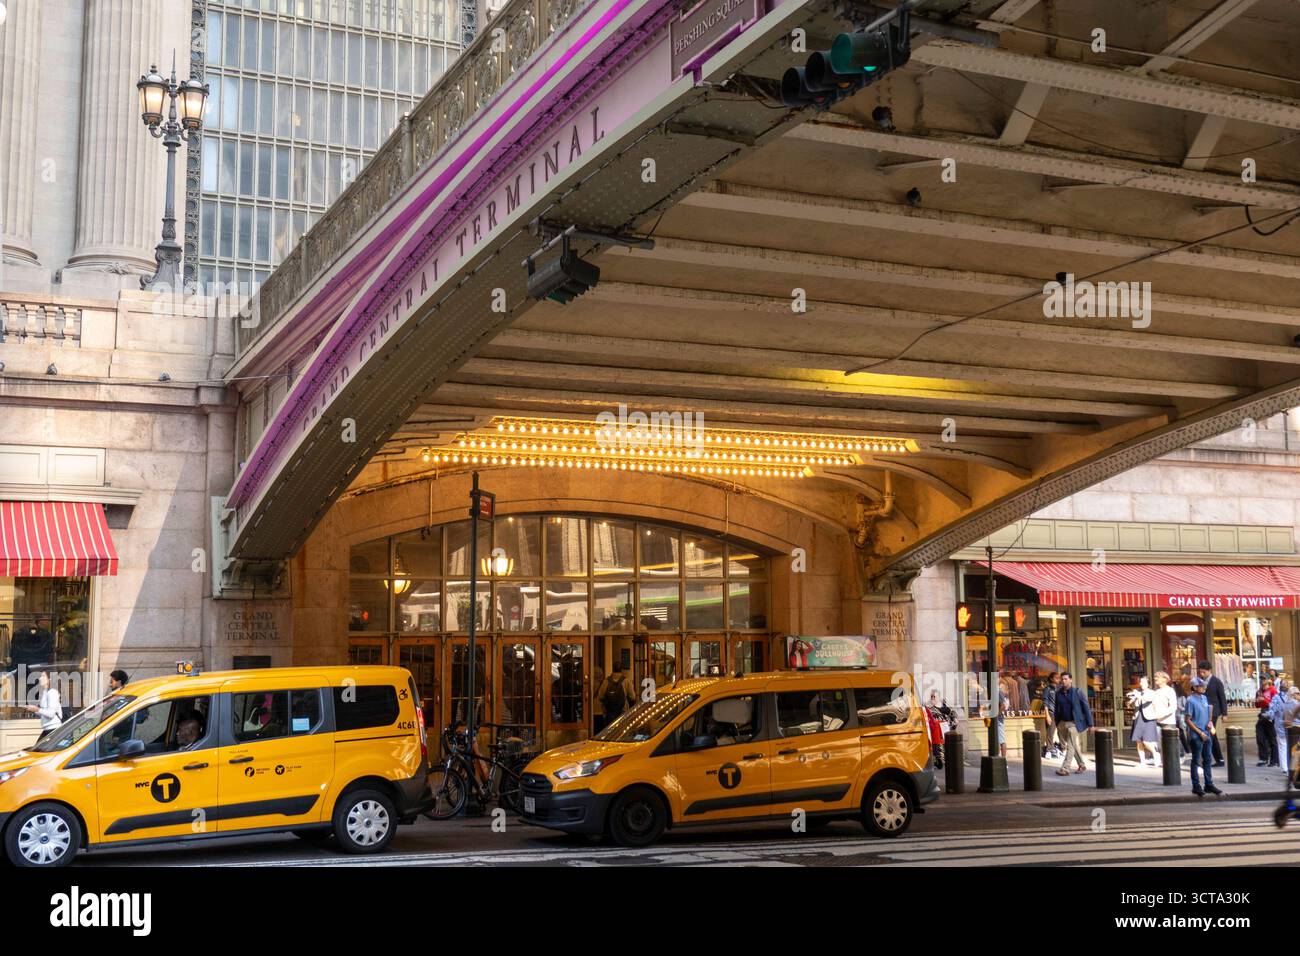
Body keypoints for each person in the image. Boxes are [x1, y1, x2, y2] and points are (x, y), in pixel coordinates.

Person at [1184, 677, 1222, 797]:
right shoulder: (1190, 700)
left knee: (1208, 759)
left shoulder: (1204, 698)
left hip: (1206, 732)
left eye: (1204, 686)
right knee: (1196, 760)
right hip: (1196, 734)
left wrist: (1210, 723)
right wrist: (1199, 733)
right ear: (1194, 687)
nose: (1204, 688)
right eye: (1201, 686)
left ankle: (1208, 784)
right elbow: (1188, 720)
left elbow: (1208, 715)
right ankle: (1196, 786)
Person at [1053, 671, 1094, 776]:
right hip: (1063, 723)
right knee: (1073, 745)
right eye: (1062, 679)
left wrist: (1091, 725)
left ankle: (1065, 768)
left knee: (1070, 745)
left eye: (1066, 679)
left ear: (1070, 680)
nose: (1063, 681)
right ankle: (1082, 764)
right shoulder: (1058, 693)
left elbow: (1086, 708)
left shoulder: (1078, 692)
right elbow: (1057, 709)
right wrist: (1057, 723)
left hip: (1074, 723)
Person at [1197, 661, 1228, 767]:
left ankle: (1218, 759)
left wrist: (1225, 714)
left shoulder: (1217, 682)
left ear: (1209, 670)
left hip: (1213, 712)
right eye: (1200, 672)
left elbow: (1222, 698)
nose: (1202, 674)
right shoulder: (1201, 681)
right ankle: (1216, 759)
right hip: (1203, 712)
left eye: (1204, 672)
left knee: (1211, 734)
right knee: (1210, 734)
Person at [1129, 676, 1160, 767]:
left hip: (1148, 718)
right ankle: (1142, 762)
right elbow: (1135, 704)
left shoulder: (1152, 693)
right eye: (1141, 682)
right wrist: (1131, 701)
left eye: (1143, 682)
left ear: (1148, 683)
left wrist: (1138, 695)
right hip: (1138, 717)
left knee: (1146, 741)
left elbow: (1147, 699)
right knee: (1139, 741)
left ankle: (1155, 753)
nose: (1141, 684)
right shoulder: (1138, 693)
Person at [1151, 671, 1179, 766]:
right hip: (1158, 721)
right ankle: (1164, 762)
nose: (1155, 679)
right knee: (1159, 743)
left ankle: (1171, 762)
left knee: (1169, 744)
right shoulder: (1156, 691)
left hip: (1168, 721)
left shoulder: (1170, 691)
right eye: (1155, 677)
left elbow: (1173, 707)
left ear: (1164, 679)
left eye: (1157, 677)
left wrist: (1161, 714)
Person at [597, 662, 635, 727]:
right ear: (621, 670)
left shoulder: (606, 681)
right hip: (623, 711)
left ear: (613, 669)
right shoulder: (626, 681)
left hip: (609, 712)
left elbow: (600, 696)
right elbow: (632, 697)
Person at [1256, 677, 1279, 767]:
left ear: (1268, 681)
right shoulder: (1259, 691)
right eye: (1261, 680)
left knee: (1272, 738)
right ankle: (1263, 758)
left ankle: (1274, 760)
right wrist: (1257, 701)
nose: (1262, 682)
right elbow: (1257, 705)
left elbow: (1275, 704)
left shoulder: (1273, 690)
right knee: (1260, 736)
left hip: (1271, 716)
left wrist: (1264, 700)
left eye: (1264, 680)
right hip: (1262, 715)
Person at [1040, 672, 1061, 759]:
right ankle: (1048, 750)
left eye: (1059, 677)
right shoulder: (1047, 689)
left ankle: (1057, 748)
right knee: (1050, 732)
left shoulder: (1059, 689)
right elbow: (1045, 703)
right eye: (1056, 677)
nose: (1058, 679)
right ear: (1052, 679)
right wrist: (1047, 715)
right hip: (1051, 713)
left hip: (1059, 713)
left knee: (1061, 732)